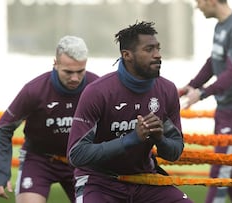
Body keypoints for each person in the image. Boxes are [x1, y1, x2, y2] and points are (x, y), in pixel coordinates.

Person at [67, 21, 192, 203]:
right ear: (127, 55)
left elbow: (174, 152)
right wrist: (132, 139)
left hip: (145, 180)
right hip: (99, 182)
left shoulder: (167, 89)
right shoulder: (98, 92)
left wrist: (160, 139)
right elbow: (77, 155)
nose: (158, 55)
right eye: (149, 49)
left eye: (158, 48)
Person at [0, 35, 99, 203]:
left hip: (80, 160)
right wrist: (1, 173)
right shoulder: (34, 90)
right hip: (39, 160)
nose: (75, 78)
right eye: (68, 72)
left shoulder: (96, 87)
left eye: (80, 71)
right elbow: (3, 128)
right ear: (55, 64)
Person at [178, 0, 232, 203]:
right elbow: (213, 62)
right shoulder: (222, 26)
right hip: (226, 109)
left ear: (211, 0)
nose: (197, 6)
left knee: (220, 170)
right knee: (230, 174)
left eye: (198, 1)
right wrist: (191, 86)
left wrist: (202, 93)